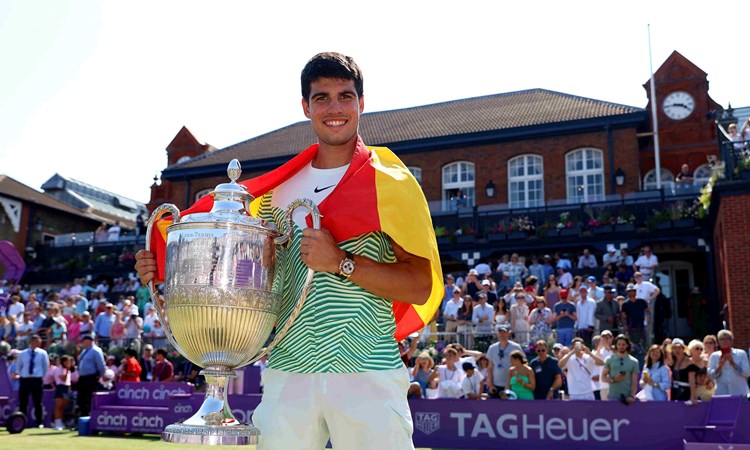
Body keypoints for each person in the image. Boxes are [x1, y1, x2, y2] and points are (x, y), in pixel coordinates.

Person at [135, 52, 442, 450]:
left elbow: (420, 286)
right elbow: (247, 278)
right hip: (288, 369)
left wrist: (342, 262)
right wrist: (168, 268)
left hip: (366, 370)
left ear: (361, 104)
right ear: (305, 107)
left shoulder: (390, 182)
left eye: (345, 96)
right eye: (322, 98)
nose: (335, 108)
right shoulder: (275, 195)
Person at [14, 335, 49, 427]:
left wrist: (41, 376)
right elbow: (19, 366)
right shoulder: (23, 353)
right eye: (37, 341)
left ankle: (39, 422)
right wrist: (21, 374)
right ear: (32, 342)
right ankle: (22, 421)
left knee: (37, 401)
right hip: (25, 379)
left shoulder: (43, 353)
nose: (39, 343)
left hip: (36, 379)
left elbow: (46, 367)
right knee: (23, 401)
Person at [707, 329, 750, 396]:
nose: (725, 341)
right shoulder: (714, 356)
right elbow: (711, 376)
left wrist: (733, 363)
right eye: (722, 339)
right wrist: (719, 366)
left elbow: (747, 373)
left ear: (732, 341)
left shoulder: (741, 354)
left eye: (728, 339)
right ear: (718, 342)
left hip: (740, 392)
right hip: (722, 393)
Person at [486, 324, 523, 397]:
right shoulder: (492, 348)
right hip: (496, 384)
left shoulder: (516, 347)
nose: (502, 334)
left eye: (504, 332)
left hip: (511, 384)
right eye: (500, 332)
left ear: (509, 333)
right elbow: (490, 367)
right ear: (497, 334)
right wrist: (490, 384)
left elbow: (522, 365)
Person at [601, 334, 639, 404]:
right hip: (612, 396)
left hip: (627, 398)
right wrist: (614, 379)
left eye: (623, 344)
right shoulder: (609, 359)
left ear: (627, 345)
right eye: (619, 344)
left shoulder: (634, 361)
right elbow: (603, 378)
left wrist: (631, 395)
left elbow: (634, 381)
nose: (621, 346)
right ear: (616, 345)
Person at [77, 334, 106, 417]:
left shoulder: (95, 350)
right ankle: (83, 417)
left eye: (84, 341)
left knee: (89, 399)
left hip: (91, 378)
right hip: (82, 378)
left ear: (89, 341)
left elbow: (101, 365)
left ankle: (89, 418)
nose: (82, 343)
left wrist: (101, 376)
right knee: (81, 399)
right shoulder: (84, 351)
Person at [620, 283, 650, 349]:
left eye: (633, 290)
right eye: (629, 291)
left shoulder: (642, 302)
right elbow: (623, 316)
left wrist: (647, 318)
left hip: (641, 326)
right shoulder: (625, 304)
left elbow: (648, 311)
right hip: (631, 327)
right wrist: (624, 325)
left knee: (644, 343)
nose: (631, 292)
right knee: (632, 344)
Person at [52, 354, 73, 430]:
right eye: (67, 361)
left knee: (63, 406)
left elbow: (68, 381)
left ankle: (60, 422)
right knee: (59, 406)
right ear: (63, 362)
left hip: (66, 388)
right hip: (60, 387)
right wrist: (67, 370)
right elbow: (63, 379)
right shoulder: (59, 369)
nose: (69, 363)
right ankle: (57, 423)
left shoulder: (67, 370)